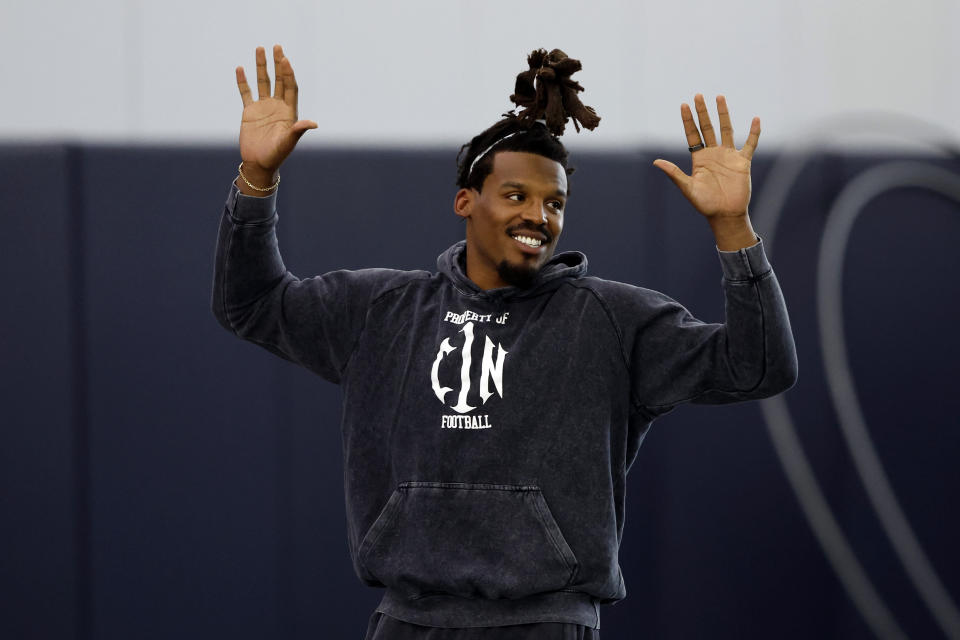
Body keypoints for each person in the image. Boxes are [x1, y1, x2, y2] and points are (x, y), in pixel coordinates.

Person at [213, 45, 798, 639]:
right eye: (517, 196)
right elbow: (251, 305)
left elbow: (759, 367)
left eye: (555, 203)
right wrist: (257, 179)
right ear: (467, 201)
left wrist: (732, 228)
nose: (539, 216)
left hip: (544, 621)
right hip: (407, 620)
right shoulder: (380, 310)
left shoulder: (612, 320)